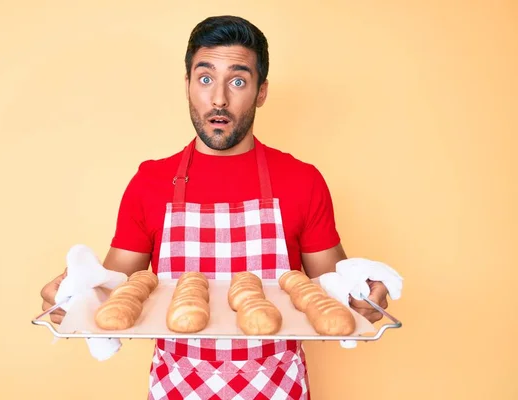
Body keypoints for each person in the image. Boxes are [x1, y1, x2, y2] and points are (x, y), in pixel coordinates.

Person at [40, 15, 390, 400]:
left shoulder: (302, 180)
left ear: (261, 92)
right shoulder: (149, 183)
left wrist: (364, 299)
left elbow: (333, 294)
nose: (219, 98)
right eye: (205, 78)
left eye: (238, 80)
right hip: (178, 385)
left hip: (278, 385)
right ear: (187, 85)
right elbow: (112, 295)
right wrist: (72, 298)